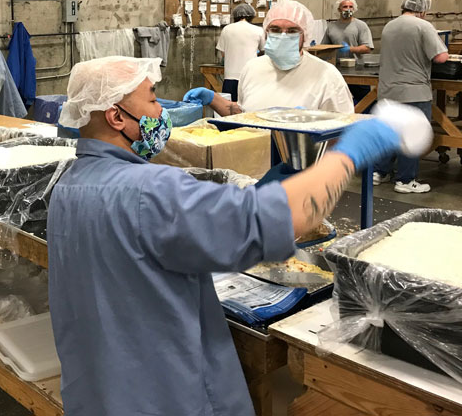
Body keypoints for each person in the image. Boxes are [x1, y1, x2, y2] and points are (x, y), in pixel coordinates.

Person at [48, 56, 428, 416]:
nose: (160, 112)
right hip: (163, 394)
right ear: (117, 117)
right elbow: (285, 218)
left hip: (98, 391)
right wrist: (353, 151)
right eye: (151, 100)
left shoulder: (69, 184)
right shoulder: (149, 191)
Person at [374, 0, 448, 193]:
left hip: (388, 90)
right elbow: (441, 57)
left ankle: (380, 173)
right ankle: (406, 180)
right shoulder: (423, 26)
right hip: (413, 91)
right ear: (423, 10)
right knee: (411, 135)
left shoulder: (390, 25)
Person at [238, 0, 354, 114]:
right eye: (275, 30)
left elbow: (344, 126)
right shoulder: (251, 69)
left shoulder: (326, 76)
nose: (283, 36)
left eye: (292, 31)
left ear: (305, 35)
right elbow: (243, 114)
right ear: (266, 32)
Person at [322, 0, 375, 105]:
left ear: (354, 9)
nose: (348, 9)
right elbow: (324, 47)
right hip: (337, 70)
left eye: (351, 7)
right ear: (339, 9)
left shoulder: (360, 25)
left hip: (357, 71)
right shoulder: (332, 26)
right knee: (338, 102)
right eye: (345, 7)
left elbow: (367, 47)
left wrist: (350, 49)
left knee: (364, 102)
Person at [216, 3, 265, 103]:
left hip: (230, 76)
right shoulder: (258, 30)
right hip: (250, 76)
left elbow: (223, 54)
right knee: (249, 107)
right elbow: (263, 51)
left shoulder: (227, 29)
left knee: (229, 109)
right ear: (251, 16)